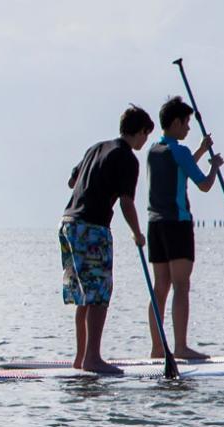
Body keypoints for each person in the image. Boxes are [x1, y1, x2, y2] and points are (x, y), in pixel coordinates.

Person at [61, 105, 154, 374]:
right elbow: (126, 202)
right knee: (99, 294)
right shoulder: (127, 158)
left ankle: (81, 358)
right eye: (145, 135)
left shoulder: (96, 147)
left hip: (68, 223)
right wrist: (137, 233)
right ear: (139, 133)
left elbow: (72, 181)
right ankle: (92, 359)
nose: (144, 141)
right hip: (91, 227)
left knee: (84, 295)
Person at [143, 97, 224, 360]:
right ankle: (180, 347)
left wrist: (200, 150)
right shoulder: (181, 152)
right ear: (176, 123)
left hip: (155, 225)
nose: (188, 128)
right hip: (177, 225)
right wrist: (213, 168)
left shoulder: (154, 150)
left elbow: (182, 165)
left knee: (160, 287)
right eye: (186, 123)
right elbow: (203, 184)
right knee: (181, 285)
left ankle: (156, 348)